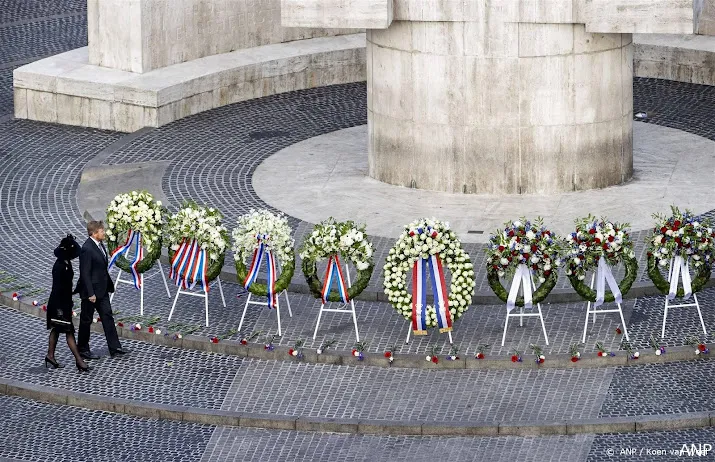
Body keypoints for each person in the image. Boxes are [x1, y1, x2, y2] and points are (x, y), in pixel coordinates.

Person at [75, 220, 128, 359]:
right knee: (86, 320)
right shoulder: (87, 248)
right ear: (94, 233)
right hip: (91, 292)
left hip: (102, 290)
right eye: (101, 230)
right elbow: (85, 273)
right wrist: (91, 293)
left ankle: (115, 347)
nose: (104, 232)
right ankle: (83, 349)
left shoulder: (99, 245)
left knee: (107, 316)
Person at [45, 234, 90, 372]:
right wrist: (61, 310)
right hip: (59, 306)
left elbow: (66, 286)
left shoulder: (65, 263)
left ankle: (50, 356)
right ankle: (79, 361)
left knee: (56, 330)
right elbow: (58, 289)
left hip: (63, 304)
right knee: (68, 332)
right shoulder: (59, 267)